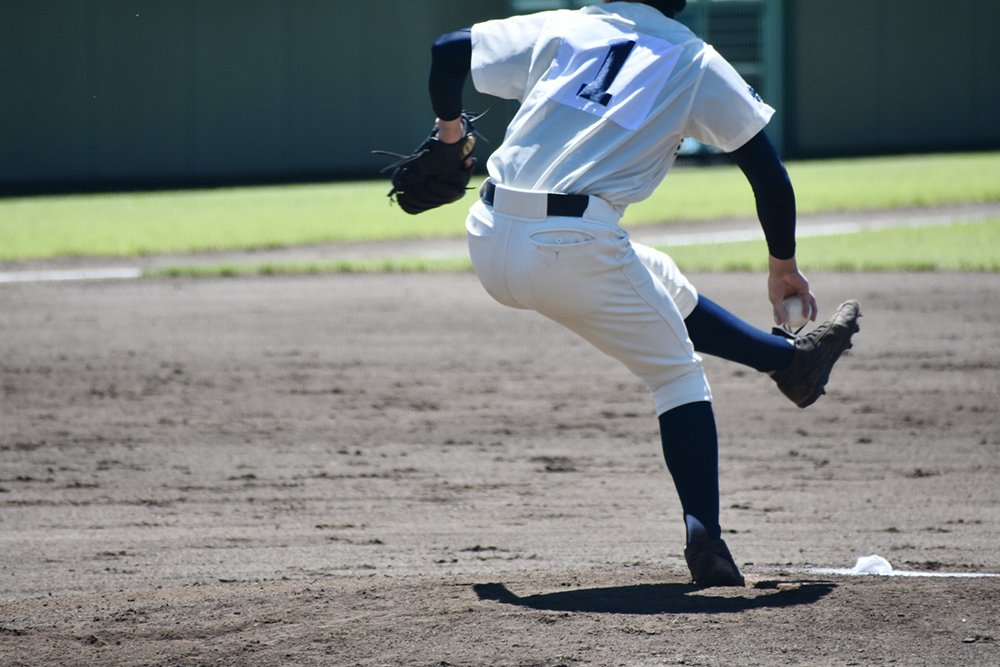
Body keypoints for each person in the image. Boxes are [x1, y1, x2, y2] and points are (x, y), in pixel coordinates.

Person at [424, 0, 860, 586]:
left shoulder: (571, 22)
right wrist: (783, 265)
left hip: (487, 235)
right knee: (678, 376)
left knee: (659, 278)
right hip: (571, 248)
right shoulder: (694, 59)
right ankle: (705, 537)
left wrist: (451, 137)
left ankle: (790, 362)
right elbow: (767, 173)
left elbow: (449, 50)